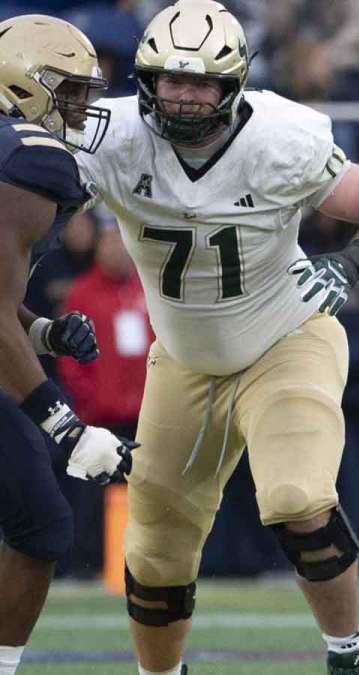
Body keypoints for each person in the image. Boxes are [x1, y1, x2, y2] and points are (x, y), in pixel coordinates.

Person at [75, 2, 359, 673]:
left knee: (298, 496)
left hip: (285, 336)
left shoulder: (279, 136)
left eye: (201, 84)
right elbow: (40, 202)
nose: (183, 97)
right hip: (185, 357)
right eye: (170, 80)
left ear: (233, 84)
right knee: (155, 548)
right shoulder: (111, 133)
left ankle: (347, 653)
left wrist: (354, 260)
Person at [0, 14, 134, 675]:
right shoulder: (28, 158)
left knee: (39, 523)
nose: (83, 108)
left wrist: (43, 332)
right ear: (25, 85)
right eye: (70, 91)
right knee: (40, 523)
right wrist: (70, 429)